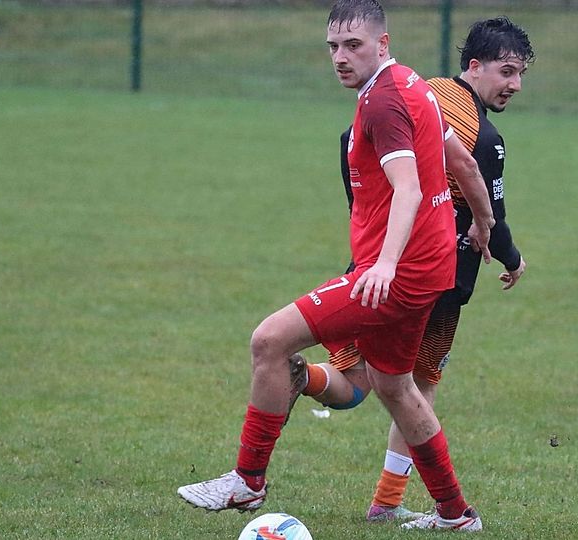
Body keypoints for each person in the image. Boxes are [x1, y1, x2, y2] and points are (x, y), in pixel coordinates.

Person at [177, 0, 486, 531]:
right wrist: (483, 224)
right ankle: (457, 515)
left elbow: (408, 189)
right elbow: (461, 159)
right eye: (333, 48)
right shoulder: (413, 84)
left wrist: (385, 264)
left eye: (353, 46)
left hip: (401, 273)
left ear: (382, 44)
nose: (340, 58)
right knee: (395, 387)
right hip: (432, 268)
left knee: (269, 341)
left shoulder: (383, 105)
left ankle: (247, 484)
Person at [288, 17, 533, 524]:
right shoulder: (485, 136)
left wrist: (367, 220)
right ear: (475, 67)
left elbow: (348, 142)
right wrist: (509, 256)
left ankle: (306, 380)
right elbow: (488, 203)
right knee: (413, 386)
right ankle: (390, 501)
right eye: (507, 72)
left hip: (380, 259)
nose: (514, 85)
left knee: (358, 378)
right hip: (437, 275)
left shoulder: (417, 90)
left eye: (520, 75)